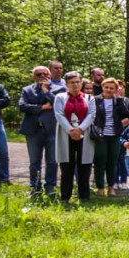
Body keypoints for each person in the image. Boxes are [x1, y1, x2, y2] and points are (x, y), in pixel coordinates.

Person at [18, 65, 63, 196]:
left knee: (52, 161)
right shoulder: (27, 90)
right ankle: (35, 186)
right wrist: (42, 107)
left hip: (52, 129)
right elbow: (22, 106)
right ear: (33, 77)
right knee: (34, 161)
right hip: (33, 130)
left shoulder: (60, 89)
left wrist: (46, 91)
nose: (43, 76)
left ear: (50, 75)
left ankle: (50, 186)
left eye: (45, 74)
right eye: (39, 74)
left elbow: (58, 103)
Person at [54, 71, 96, 202]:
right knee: (67, 166)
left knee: (84, 166)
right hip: (66, 134)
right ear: (66, 84)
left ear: (81, 82)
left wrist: (80, 129)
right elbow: (59, 115)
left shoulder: (89, 98)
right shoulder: (60, 97)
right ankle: (65, 196)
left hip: (85, 134)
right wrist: (71, 130)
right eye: (72, 82)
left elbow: (92, 114)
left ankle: (84, 196)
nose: (75, 85)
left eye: (77, 82)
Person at [92, 78, 129, 196]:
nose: (108, 90)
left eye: (111, 88)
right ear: (102, 87)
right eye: (106, 87)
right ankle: (99, 187)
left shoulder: (118, 101)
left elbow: (125, 114)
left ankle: (111, 187)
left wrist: (119, 99)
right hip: (100, 135)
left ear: (115, 89)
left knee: (112, 161)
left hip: (115, 135)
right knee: (100, 160)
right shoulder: (95, 100)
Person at [113, 80, 129, 192]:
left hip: (127, 134)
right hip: (112, 133)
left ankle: (123, 180)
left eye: (121, 87)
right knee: (113, 158)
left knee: (124, 158)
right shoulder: (109, 101)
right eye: (116, 87)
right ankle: (114, 181)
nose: (119, 89)